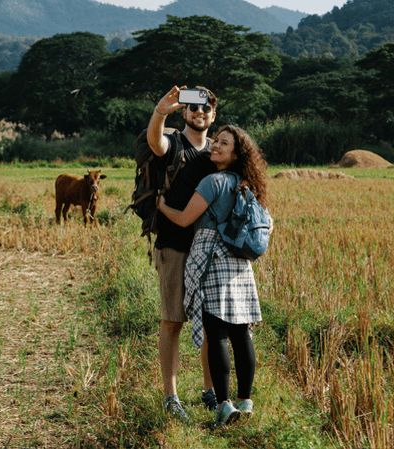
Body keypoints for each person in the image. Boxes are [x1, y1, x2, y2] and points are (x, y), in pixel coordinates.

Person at [157, 125, 268, 427]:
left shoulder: (212, 182)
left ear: (235, 153)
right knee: (241, 333)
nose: (215, 146)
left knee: (216, 332)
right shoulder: (246, 184)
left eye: (223, 143)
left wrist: (162, 205)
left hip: (212, 259)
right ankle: (246, 401)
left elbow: (183, 219)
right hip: (239, 264)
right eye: (215, 141)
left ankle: (224, 405)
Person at [148, 85, 218, 420]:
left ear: (212, 115)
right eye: (193, 109)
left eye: (205, 109)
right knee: (172, 320)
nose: (199, 114)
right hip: (174, 245)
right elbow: (155, 143)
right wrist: (161, 112)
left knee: (209, 323)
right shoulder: (175, 144)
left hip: (208, 250)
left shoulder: (217, 152)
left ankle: (210, 390)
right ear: (186, 113)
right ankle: (171, 396)